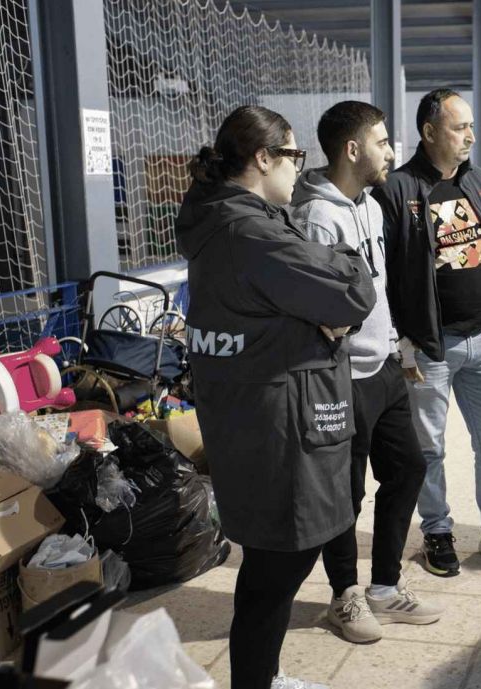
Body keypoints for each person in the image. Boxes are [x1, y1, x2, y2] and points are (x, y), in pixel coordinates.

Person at [176, 105, 375, 689]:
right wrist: (331, 299)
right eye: (293, 156)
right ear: (263, 159)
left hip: (251, 416)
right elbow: (350, 290)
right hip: (278, 426)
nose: (299, 169)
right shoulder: (251, 231)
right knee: (278, 563)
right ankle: (254, 681)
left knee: (270, 561)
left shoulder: (227, 220)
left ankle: (260, 673)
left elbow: (323, 299)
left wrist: (317, 312)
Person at [372, 88, 481, 577]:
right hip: (429, 347)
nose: (469, 135)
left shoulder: (480, 183)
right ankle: (437, 532)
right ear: (429, 132)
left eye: (470, 126)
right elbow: (382, 271)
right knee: (430, 447)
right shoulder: (399, 189)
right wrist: (400, 341)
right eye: (458, 127)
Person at [291, 100, 443, 643]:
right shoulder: (316, 216)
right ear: (353, 149)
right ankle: (345, 597)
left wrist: (400, 347)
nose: (391, 151)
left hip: (382, 368)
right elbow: (310, 305)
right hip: (339, 378)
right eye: (382, 141)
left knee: (409, 468)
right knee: (344, 496)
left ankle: (383, 587)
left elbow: (376, 289)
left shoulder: (371, 207)